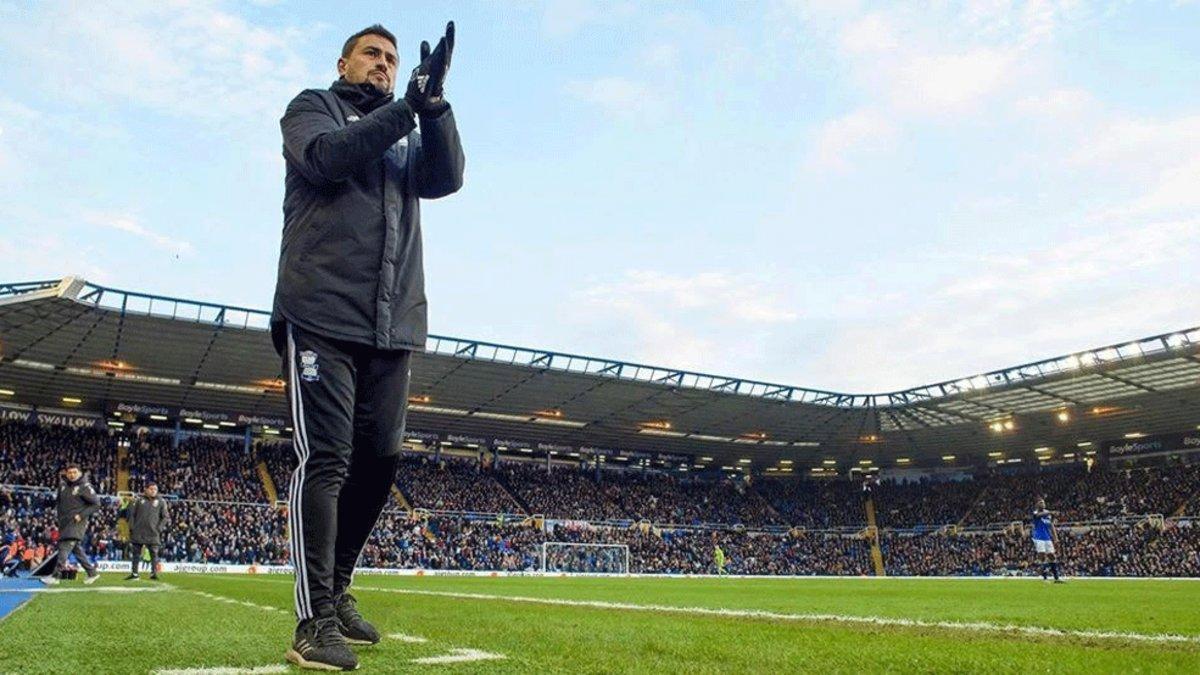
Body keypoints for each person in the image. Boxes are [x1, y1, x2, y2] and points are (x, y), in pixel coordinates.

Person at [271, 21, 464, 671]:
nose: (383, 65)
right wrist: (407, 108)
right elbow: (326, 159)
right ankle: (312, 618)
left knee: (379, 460)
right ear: (344, 62)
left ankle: (339, 587)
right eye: (372, 55)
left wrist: (433, 108)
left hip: (391, 325)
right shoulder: (311, 109)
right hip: (322, 313)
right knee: (326, 458)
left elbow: (446, 179)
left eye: (392, 59)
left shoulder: (405, 136)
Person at [43, 463, 101, 585]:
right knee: (76, 549)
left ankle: (55, 576)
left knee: (64, 546)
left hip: (76, 522)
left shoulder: (85, 486)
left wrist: (81, 515)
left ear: (79, 473)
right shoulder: (62, 486)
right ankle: (92, 573)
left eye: (75, 472)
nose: (72, 475)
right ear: (66, 473)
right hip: (64, 522)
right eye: (69, 472)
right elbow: (58, 502)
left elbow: (96, 504)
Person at [124, 482, 170, 581]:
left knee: (154, 554)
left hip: (153, 532)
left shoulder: (161, 501)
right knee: (136, 553)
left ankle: (154, 573)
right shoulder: (137, 500)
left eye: (155, 489)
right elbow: (130, 514)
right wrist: (132, 527)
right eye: (151, 489)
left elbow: (165, 517)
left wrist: (159, 528)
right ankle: (134, 573)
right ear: (146, 489)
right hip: (138, 531)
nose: (153, 491)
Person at [1031, 498, 1063, 583]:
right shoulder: (1035, 512)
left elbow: (1051, 526)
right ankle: (1045, 579)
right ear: (1037, 505)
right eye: (1041, 503)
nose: (1043, 504)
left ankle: (1057, 578)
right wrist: (1051, 512)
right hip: (1038, 537)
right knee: (1042, 556)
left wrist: (1056, 538)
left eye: (1043, 502)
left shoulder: (1048, 514)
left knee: (1052, 557)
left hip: (1047, 538)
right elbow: (1037, 516)